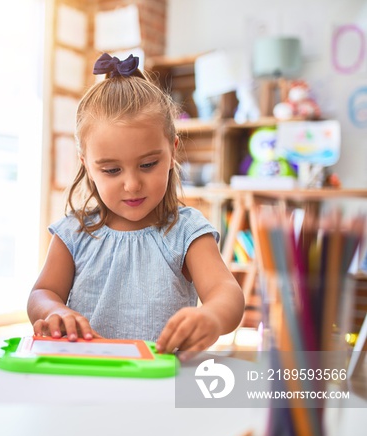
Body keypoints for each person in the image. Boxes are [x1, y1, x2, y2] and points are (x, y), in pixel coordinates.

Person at [27, 54, 244, 358]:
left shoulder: (187, 231)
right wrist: (54, 310)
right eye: (112, 170)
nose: (131, 184)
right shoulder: (73, 233)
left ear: (173, 151)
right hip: (86, 377)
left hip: (160, 384)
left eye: (148, 164)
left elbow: (227, 293)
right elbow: (41, 293)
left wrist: (212, 316)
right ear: (87, 165)